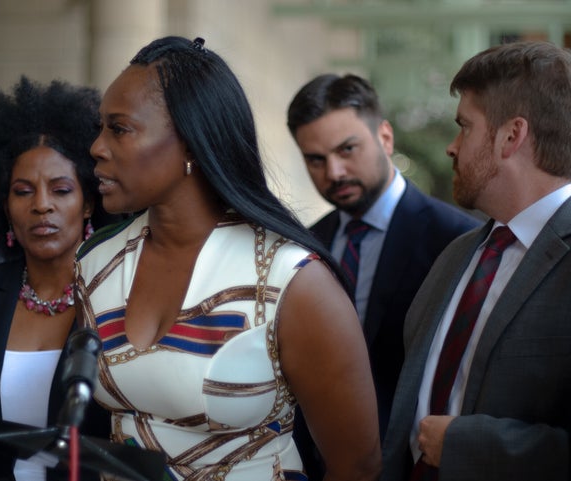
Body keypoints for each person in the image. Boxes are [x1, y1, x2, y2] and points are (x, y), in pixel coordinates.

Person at [74, 36, 381, 481]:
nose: (97, 147)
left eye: (119, 129)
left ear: (192, 144)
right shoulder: (96, 266)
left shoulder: (289, 281)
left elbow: (357, 464)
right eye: (101, 128)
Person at [381, 41, 571, 481]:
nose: (452, 146)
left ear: (511, 136)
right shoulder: (459, 253)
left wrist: (472, 448)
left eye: (464, 127)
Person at [285, 74, 480, 477]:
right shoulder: (303, 245)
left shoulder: (456, 239)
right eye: (316, 160)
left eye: (347, 149)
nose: (334, 172)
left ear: (385, 138)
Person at [0, 76, 117, 481]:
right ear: (3, 205)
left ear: (88, 201)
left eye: (60, 190)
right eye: (23, 191)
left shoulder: (118, 294)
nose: (41, 206)